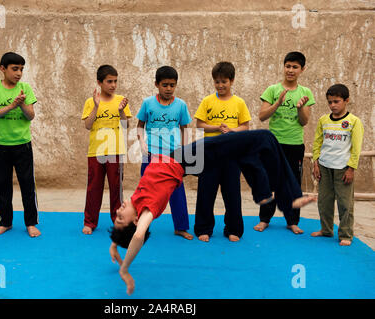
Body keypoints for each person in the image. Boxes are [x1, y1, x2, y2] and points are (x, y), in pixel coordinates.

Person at [109, 129, 316, 295]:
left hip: (188, 158)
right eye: (120, 216)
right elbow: (137, 235)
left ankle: (267, 193)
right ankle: (289, 198)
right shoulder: (148, 209)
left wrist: (115, 243)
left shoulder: (135, 200)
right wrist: (125, 268)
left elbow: (129, 231)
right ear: (136, 220)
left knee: (244, 150)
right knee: (264, 138)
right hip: (188, 158)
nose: (119, 210)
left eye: (116, 214)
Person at [254, 51, 315, 235]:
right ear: (283, 67)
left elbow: (304, 121)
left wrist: (299, 108)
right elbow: (262, 116)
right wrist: (277, 103)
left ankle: (292, 221)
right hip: (273, 144)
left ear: (302, 69)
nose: (290, 70)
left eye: (295, 67)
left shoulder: (305, 93)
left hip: (295, 145)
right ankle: (264, 220)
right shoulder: (272, 90)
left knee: (292, 184)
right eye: (287, 66)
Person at [0, 52, 40, 237]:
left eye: (21, 69)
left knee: (27, 185)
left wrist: (22, 104)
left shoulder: (25, 88)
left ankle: (31, 223)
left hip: (23, 145)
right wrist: (11, 106)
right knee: (2, 185)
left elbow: (31, 115)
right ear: (3, 69)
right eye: (15, 69)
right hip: (1, 145)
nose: (19, 73)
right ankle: (5, 222)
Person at [193, 61, 251, 242]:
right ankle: (203, 228)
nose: (220, 85)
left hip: (232, 155)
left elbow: (245, 127)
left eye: (224, 81)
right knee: (205, 192)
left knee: (232, 193)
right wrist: (216, 127)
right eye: (217, 82)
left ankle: (233, 229)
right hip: (209, 154)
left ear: (231, 81)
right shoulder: (207, 101)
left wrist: (232, 131)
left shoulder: (239, 103)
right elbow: (200, 124)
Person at [136, 66, 193, 240]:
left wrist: (183, 150)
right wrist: (142, 143)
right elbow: (140, 126)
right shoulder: (148, 103)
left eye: (172, 85)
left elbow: (184, 129)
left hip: (173, 155)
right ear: (156, 84)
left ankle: (181, 227)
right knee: (146, 191)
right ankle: (141, 227)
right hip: (151, 154)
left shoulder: (181, 105)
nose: (168, 89)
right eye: (165, 85)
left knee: (177, 192)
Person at [81, 65, 131, 235]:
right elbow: (88, 126)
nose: (113, 85)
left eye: (115, 81)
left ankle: (118, 220)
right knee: (94, 187)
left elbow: (126, 125)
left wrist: (121, 111)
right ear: (99, 82)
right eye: (109, 81)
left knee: (116, 188)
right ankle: (90, 222)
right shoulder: (90, 101)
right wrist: (96, 107)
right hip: (96, 152)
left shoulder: (121, 100)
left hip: (115, 151)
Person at [311, 84, 364, 246]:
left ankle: (346, 234)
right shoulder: (323, 120)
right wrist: (316, 162)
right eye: (330, 102)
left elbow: (356, 147)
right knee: (324, 201)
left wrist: (351, 168)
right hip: (325, 167)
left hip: (343, 168)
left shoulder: (353, 122)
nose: (333, 105)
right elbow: (318, 142)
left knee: (345, 203)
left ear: (346, 101)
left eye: (336, 101)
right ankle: (326, 230)